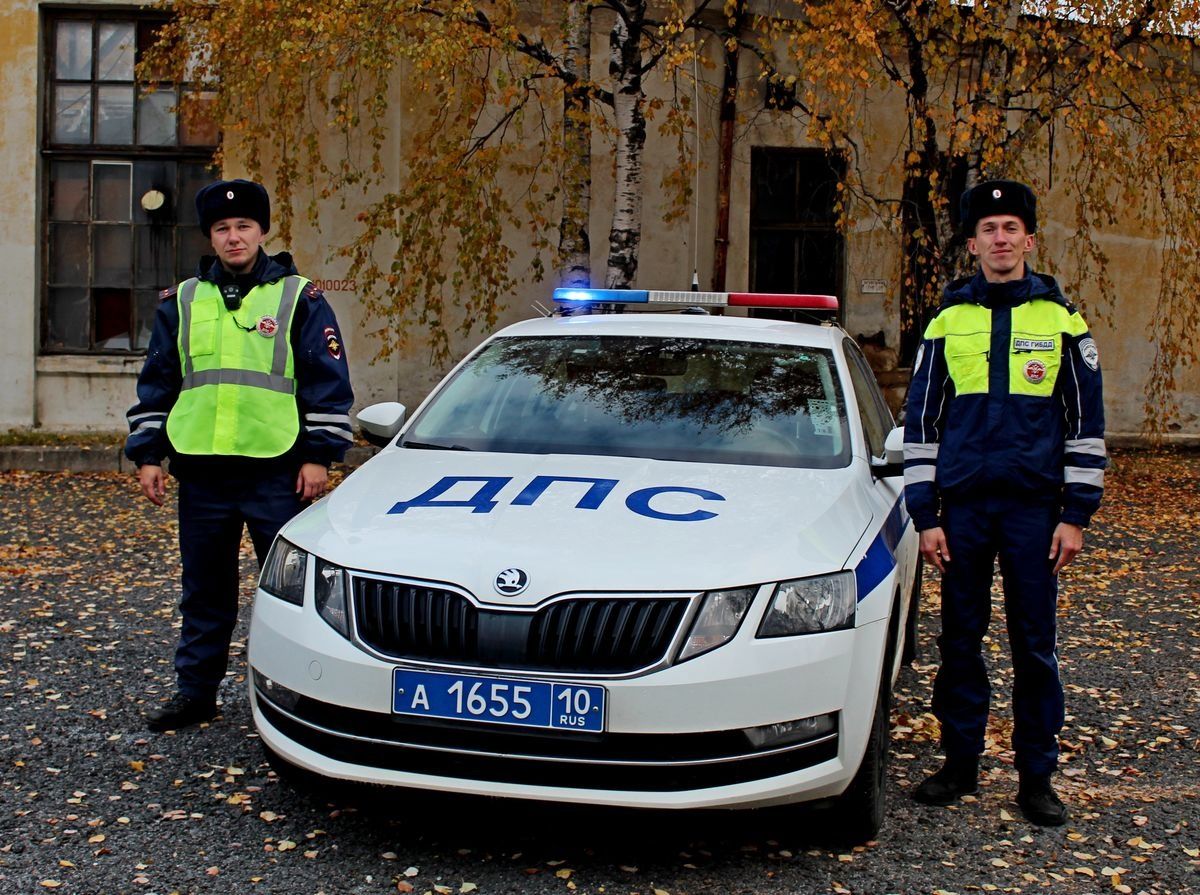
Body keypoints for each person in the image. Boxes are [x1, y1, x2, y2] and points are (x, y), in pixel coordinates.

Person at [902, 180, 1106, 826]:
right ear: (972, 243)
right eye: (988, 228)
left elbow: (1086, 421)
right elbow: (921, 422)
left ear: (1030, 239)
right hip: (962, 511)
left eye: (1011, 227)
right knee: (960, 639)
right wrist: (925, 515)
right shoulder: (946, 321)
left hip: (1032, 513)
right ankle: (960, 765)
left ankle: (1036, 777)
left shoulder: (1061, 320)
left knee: (1033, 644)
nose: (1000, 239)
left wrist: (1076, 513)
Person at [126, 179, 354, 732]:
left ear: (262, 231)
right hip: (202, 475)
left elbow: (328, 383)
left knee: (292, 593)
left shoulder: (300, 298)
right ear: (211, 235)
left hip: (276, 474)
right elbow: (158, 382)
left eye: (244, 227)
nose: (234, 238)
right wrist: (149, 453)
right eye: (223, 229)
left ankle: (302, 694)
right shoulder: (183, 300)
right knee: (204, 592)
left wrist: (319, 456)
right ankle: (196, 694)